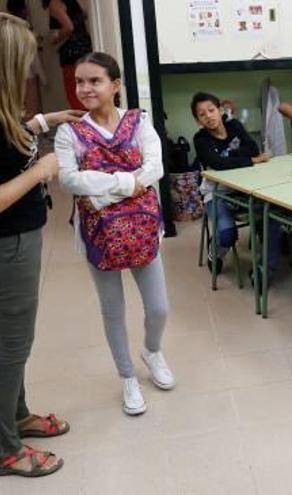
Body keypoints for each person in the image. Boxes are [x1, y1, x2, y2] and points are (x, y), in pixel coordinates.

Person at [56, 52, 174, 416]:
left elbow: (155, 166)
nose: (85, 88)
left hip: (141, 229)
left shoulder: (139, 122)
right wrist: (127, 182)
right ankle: (127, 377)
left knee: (158, 307)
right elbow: (70, 180)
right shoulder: (68, 132)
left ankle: (151, 351)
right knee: (113, 311)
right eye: (80, 81)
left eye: (95, 80)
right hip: (98, 234)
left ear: (116, 85)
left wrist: (104, 190)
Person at [0, 12, 82, 477]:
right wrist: (41, 170)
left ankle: (16, 416)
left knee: (15, 342)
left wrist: (41, 120)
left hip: (18, 238)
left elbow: (8, 135)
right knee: (11, 345)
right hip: (7, 244)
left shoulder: (6, 112)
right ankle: (5, 449)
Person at [191, 91, 281, 280]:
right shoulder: (201, 140)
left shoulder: (235, 126)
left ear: (220, 110)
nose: (208, 116)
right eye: (202, 114)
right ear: (197, 120)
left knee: (272, 217)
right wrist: (252, 160)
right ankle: (214, 252)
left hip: (246, 190)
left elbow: (253, 148)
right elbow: (217, 164)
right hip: (215, 193)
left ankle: (263, 272)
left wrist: (230, 156)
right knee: (227, 234)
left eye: (211, 110)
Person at [42, 0, 92, 111]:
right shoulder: (70, 2)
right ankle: (90, 124)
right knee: (86, 90)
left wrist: (55, 38)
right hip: (85, 50)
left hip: (71, 54)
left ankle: (82, 125)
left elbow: (69, 27)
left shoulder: (54, 3)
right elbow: (83, 15)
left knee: (75, 93)